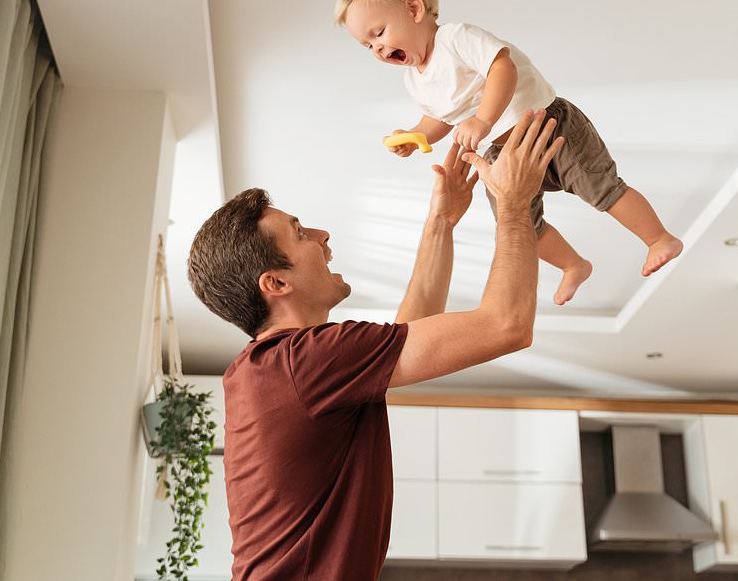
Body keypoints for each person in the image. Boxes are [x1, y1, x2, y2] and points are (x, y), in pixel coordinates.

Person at [186, 110, 564, 580]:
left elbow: (412, 330)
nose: (323, 236)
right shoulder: (302, 361)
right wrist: (514, 204)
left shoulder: (283, 366)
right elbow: (506, 325)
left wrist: (441, 221)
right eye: (301, 233)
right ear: (276, 282)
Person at [335, 0, 684, 304]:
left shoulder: (456, 38)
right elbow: (440, 117)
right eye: (368, 46)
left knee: (601, 189)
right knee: (515, 222)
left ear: (413, 8)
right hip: (506, 154)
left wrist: (483, 121)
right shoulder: (415, 79)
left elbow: (503, 69)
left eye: (378, 33)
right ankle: (573, 265)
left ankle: (658, 239)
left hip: (547, 125)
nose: (378, 49)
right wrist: (416, 135)